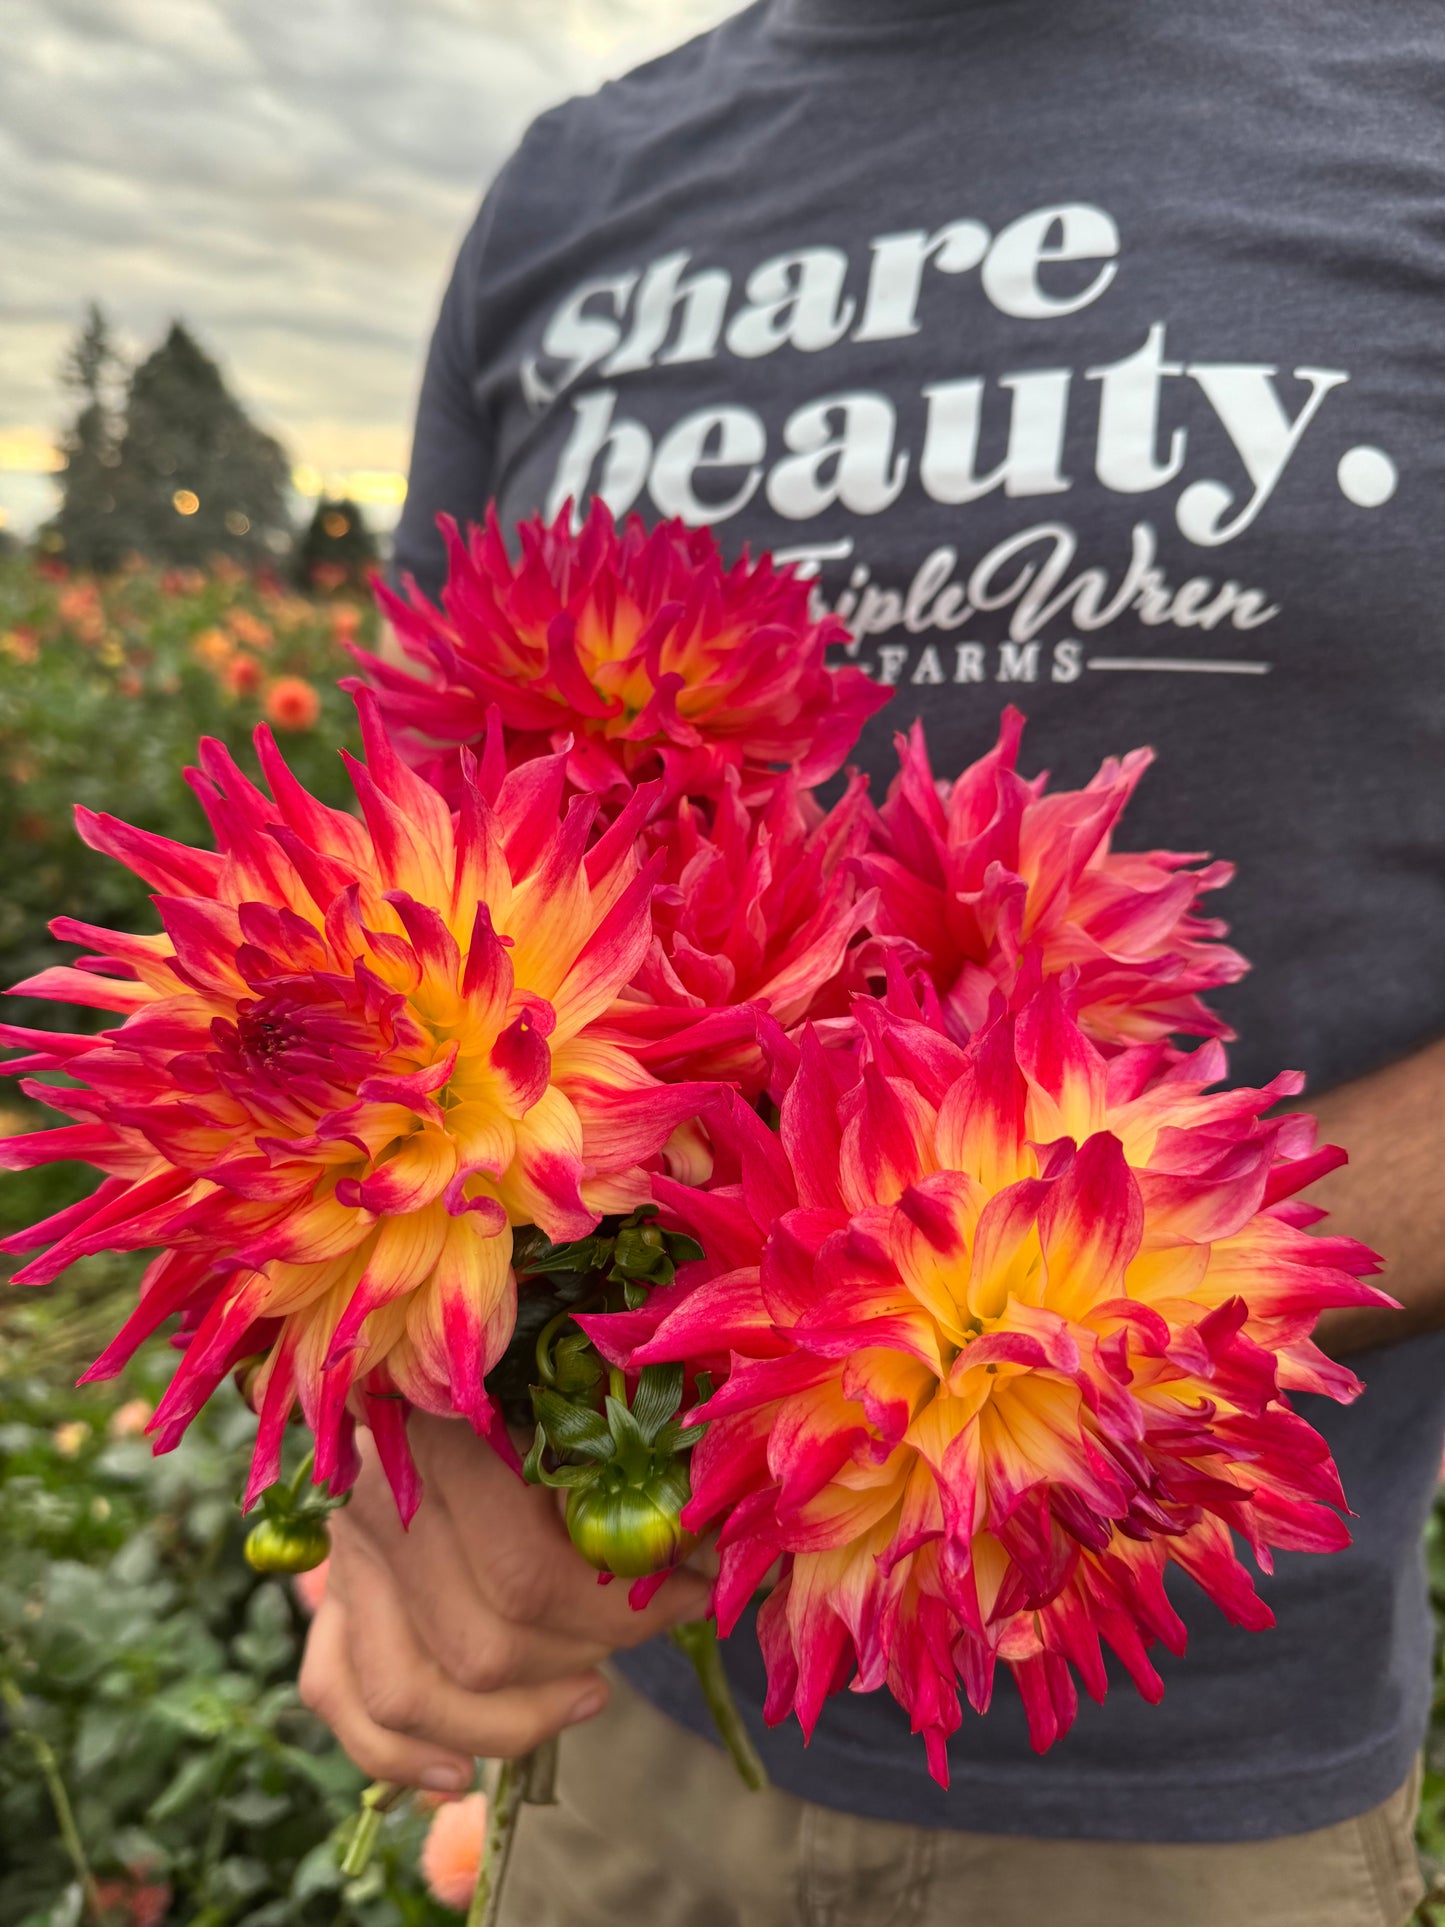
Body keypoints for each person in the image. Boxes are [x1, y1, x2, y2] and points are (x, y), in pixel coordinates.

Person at [297, 2, 1445, 1920]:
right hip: (621, 1739)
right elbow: (382, 890)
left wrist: (1107, 1297)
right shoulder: (571, 186)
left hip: (1172, 1777)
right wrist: (384, 1425)